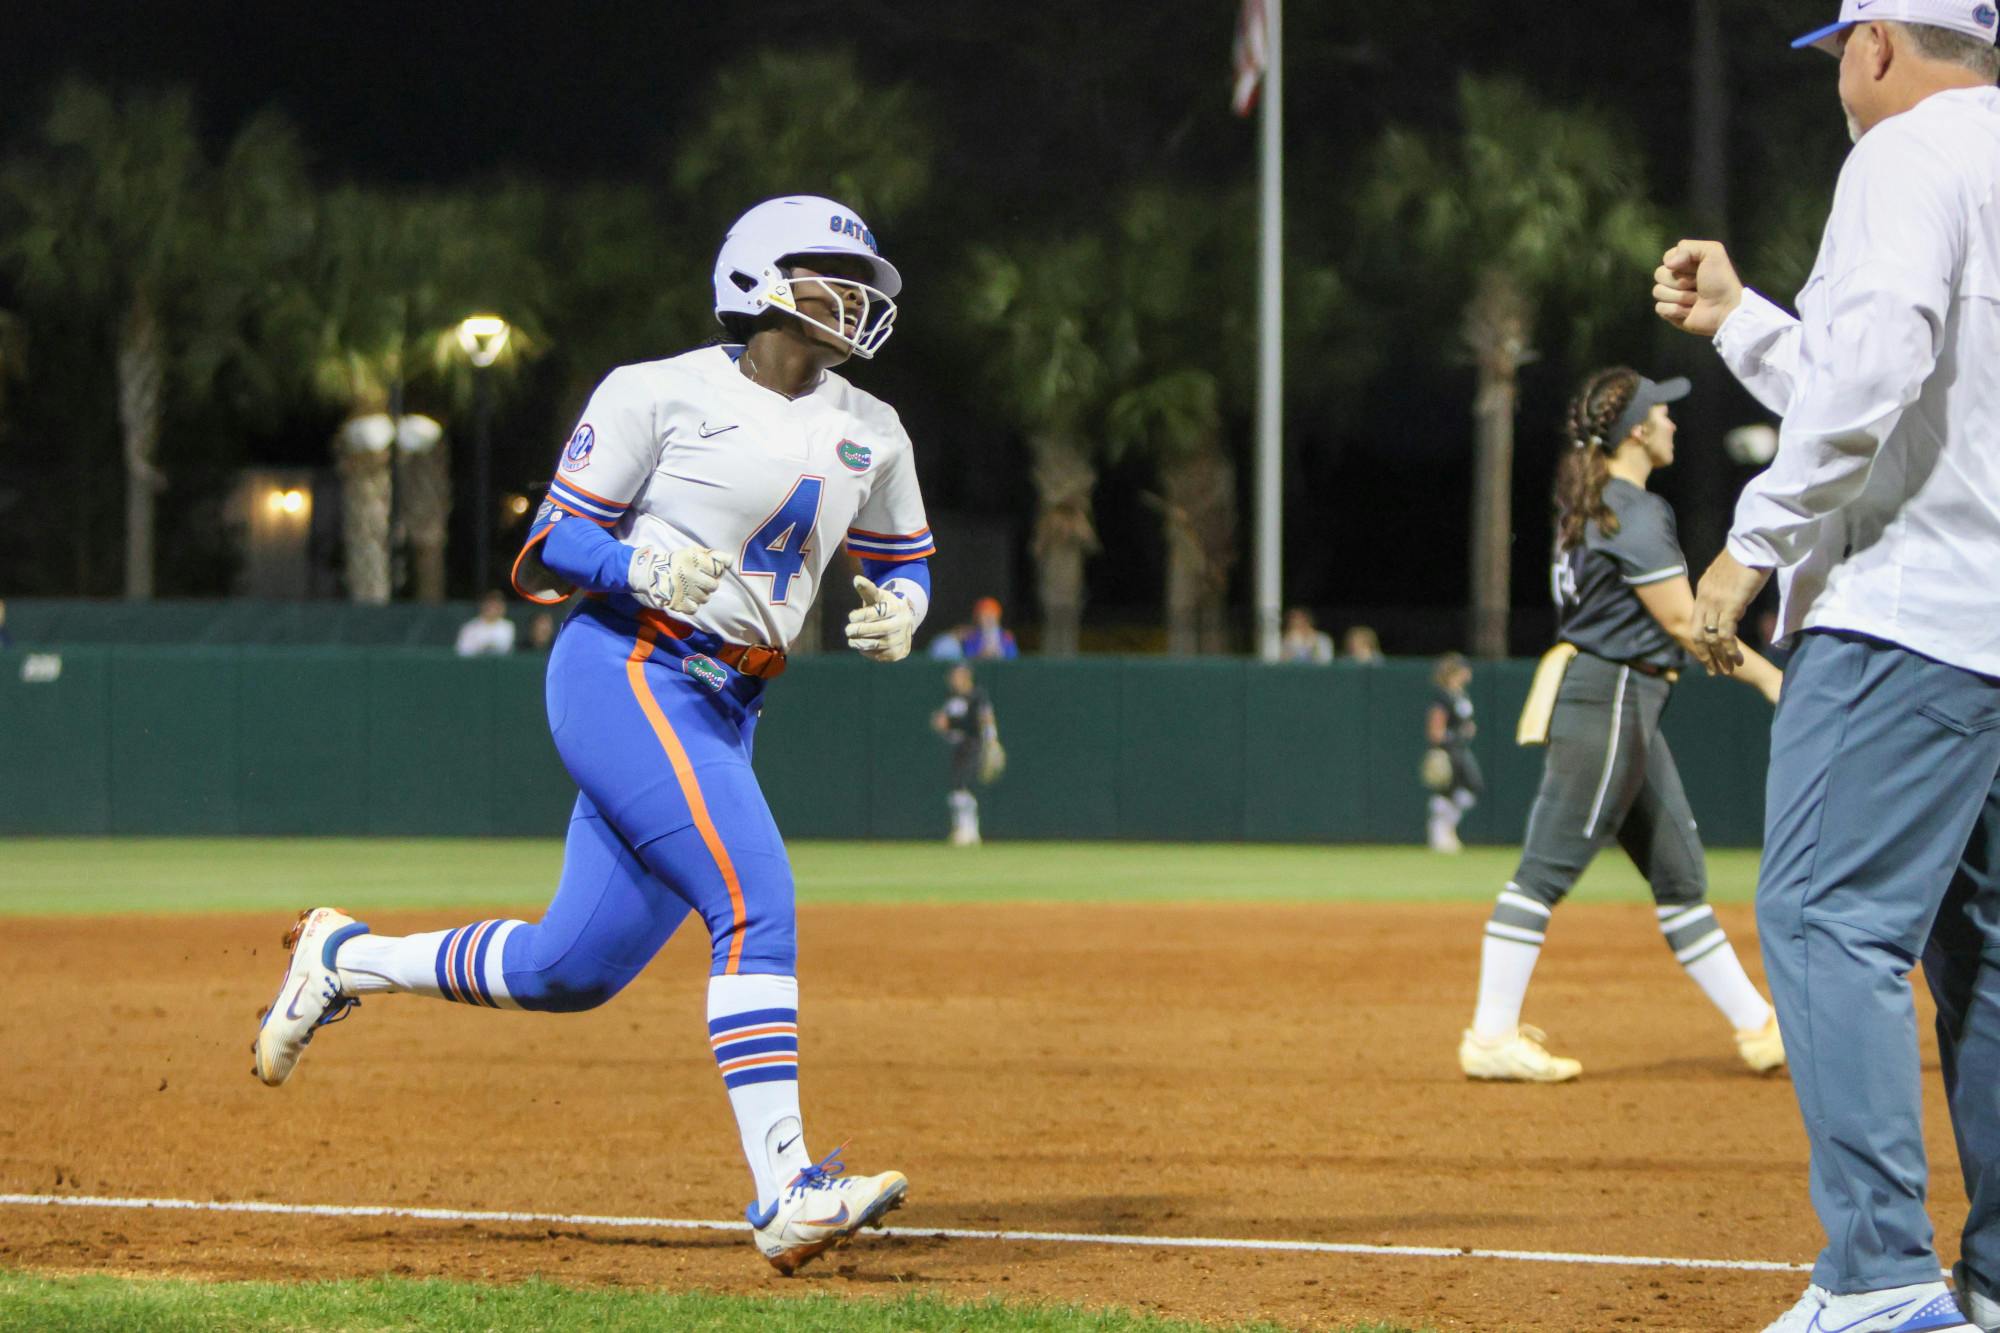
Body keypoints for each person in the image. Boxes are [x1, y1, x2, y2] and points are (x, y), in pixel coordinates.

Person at [250, 195, 935, 1276]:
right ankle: (784, 1189)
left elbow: (903, 559)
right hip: (627, 664)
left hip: (728, 701)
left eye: (859, 286)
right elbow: (545, 548)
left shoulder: (875, 427)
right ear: (756, 278)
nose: (851, 301)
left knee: (570, 968)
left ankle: (346, 956)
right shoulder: (656, 390)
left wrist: (906, 607)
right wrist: (631, 564)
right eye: (822, 278)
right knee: (753, 898)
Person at [1655, 8, 2000, 1330]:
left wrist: (1751, 550)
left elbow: (1874, 374)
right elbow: (1896, 380)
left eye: (1836, 55)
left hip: (1903, 613)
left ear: (1871, 48)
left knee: (1825, 920)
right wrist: (1745, 320)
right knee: (1986, 953)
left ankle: (1881, 1282)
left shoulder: (1903, 157)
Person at [1458, 366, 1787, 1087]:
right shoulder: (1631, 509)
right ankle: (1490, 1033)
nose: (1672, 422)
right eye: (1662, 414)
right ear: (1637, 430)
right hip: (1610, 694)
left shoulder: (1594, 500)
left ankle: (1760, 1027)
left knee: (1679, 875)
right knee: (1545, 868)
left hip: (1621, 698)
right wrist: (1770, 678)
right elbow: (1678, 619)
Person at [931, 662, 997, 846]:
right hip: (956, 745)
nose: (954, 680)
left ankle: (969, 830)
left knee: (963, 785)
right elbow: (945, 721)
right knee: (956, 789)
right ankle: (962, 829)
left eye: (958, 676)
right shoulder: (950, 697)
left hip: (973, 744)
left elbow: (985, 717)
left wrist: (992, 739)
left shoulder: (977, 695)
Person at [1423, 653, 1482, 853]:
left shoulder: (1461, 694)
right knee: (1447, 790)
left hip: (1461, 748)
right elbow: (1435, 729)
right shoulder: (1443, 696)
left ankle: (1448, 828)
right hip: (1447, 750)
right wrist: (1450, 737)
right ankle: (1439, 833)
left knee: (1471, 787)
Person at [454, 591, 516, 656]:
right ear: (483, 606)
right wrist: (481, 648)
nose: (492, 609)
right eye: (490, 605)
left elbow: (506, 649)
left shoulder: (508, 626)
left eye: (496, 605)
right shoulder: (469, 627)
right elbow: (462, 650)